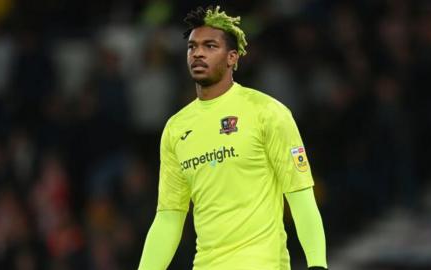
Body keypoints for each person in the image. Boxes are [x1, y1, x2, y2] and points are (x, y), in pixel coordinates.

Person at [138, 6, 328, 270]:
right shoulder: (176, 129)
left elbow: (300, 197)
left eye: (210, 46)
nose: (198, 53)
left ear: (232, 57)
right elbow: (169, 217)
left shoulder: (267, 112)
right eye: (192, 47)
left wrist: (317, 265)